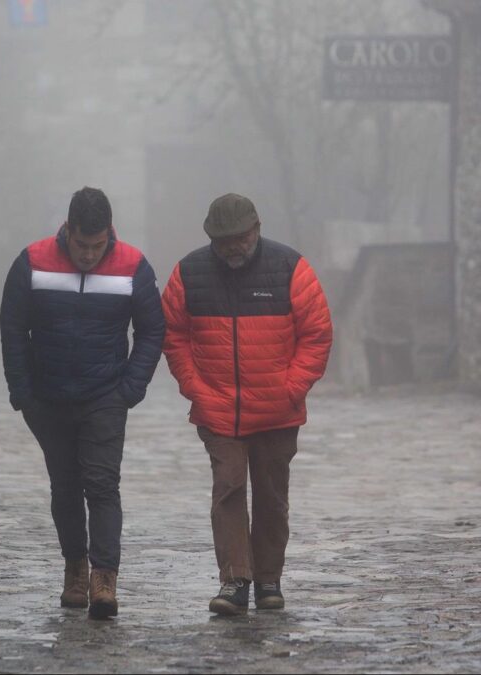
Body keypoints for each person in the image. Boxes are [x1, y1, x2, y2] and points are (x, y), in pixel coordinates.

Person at [160, 193, 333, 615]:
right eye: (224, 240)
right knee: (229, 488)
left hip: (278, 411)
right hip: (218, 410)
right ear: (211, 239)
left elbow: (317, 334)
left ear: (256, 229)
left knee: (272, 497)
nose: (233, 247)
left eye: (240, 237)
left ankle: (269, 579)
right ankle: (236, 581)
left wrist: (291, 387)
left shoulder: (292, 269)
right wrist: (195, 387)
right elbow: (173, 335)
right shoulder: (188, 274)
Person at [0, 186, 164, 618]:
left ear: (109, 233)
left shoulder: (132, 266)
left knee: (103, 484)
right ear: (67, 230)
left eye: (97, 245)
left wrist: (131, 388)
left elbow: (151, 331)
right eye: (81, 244)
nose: (89, 254)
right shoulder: (31, 262)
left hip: (106, 395)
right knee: (65, 486)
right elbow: (12, 328)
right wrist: (23, 392)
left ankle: (104, 577)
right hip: (47, 398)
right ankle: (75, 566)